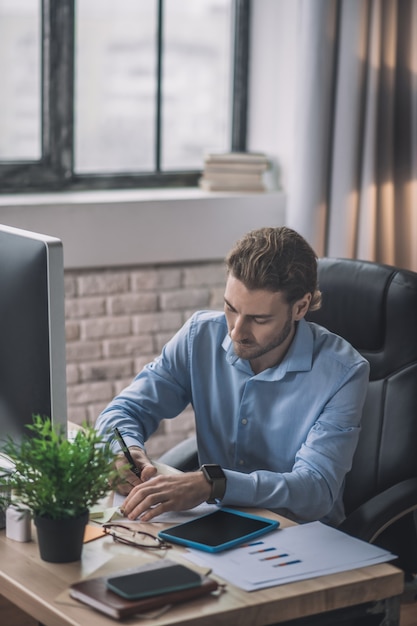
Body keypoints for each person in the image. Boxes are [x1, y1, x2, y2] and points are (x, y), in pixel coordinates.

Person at [95, 226, 369, 526]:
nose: (237, 331)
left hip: (301, 534)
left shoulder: (344, 372)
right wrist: (126, 451)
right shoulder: (198, 336)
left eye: (259, 319)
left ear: (300, 307)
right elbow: (125, 410)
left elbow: (316, 489)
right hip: (216, 521)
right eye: (230, 308)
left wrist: (215, 484)